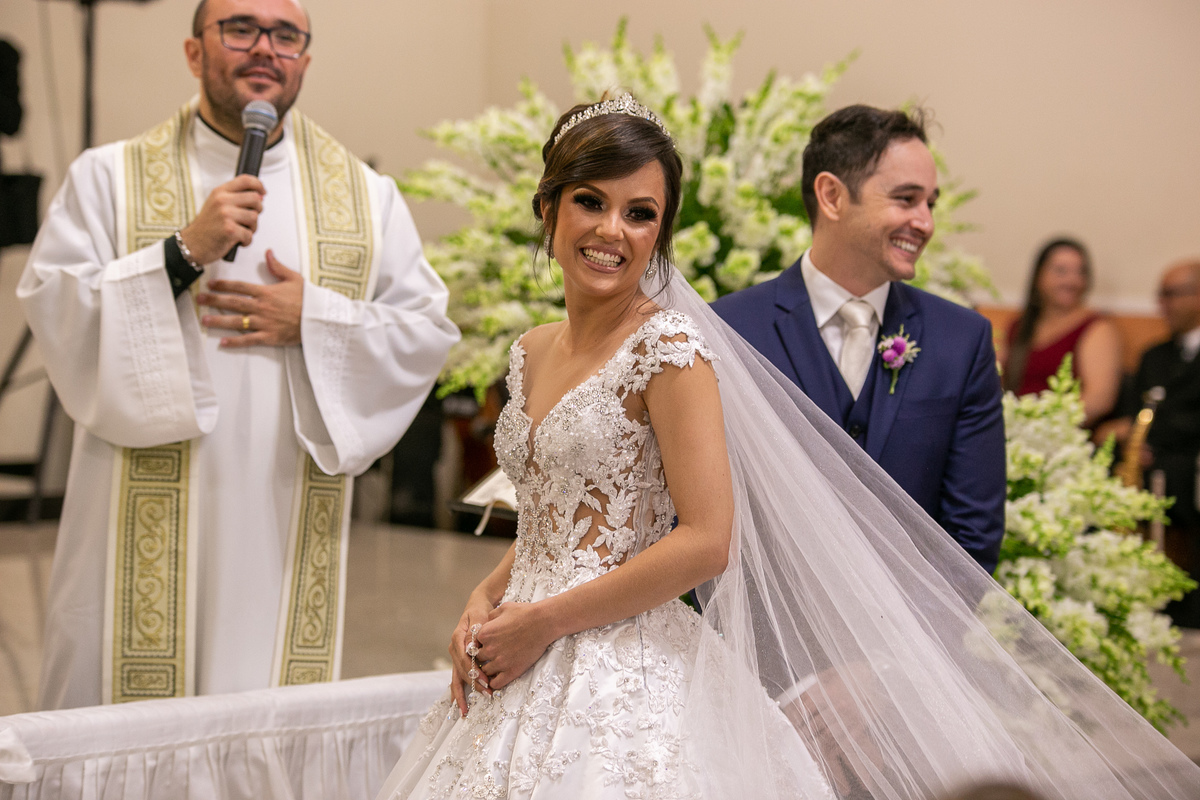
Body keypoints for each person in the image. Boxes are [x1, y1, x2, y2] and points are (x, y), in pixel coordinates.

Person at [375, 95, 1200, 800]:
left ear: (662, 231)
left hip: (851, 666)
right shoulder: (583, 343)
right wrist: (490, 604)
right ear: (549, 206)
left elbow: (946, 536)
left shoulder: (693, 344)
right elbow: (563, 520)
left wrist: (880, 675)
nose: (613, 230)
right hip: (623, 649)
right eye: (590, 201)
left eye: (641, 214)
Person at [18, 0, 458, 709]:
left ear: (304, 63)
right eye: (241, 29)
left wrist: (314, 318)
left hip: (279, 508)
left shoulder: (366, 198)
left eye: (285, 36)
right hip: (132, 522)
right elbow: (56, 304)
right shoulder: (108, 178)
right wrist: (180, 251)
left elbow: (424, 333)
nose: (265, 49)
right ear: (194, 53)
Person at [712, 105, 1005, 573]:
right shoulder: (727, 330)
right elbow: (699, 516)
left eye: (931, 202)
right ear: (831, 195)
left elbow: (972, 538)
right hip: (764, 640)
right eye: (906, 199)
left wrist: (900, 643)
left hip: (913, 641)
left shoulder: (962, 341)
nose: (926, 222)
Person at [1098, 259, 1200, 628]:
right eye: (1161, 295)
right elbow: (1130, 415)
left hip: (1186, 462)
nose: (1163, 304)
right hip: (1148, 459)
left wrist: (1151, 438)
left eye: (1172, 294)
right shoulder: (1154, 355)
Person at [1001, 238, 1121, 426]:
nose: (1072, 281)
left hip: (1062, 436)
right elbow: (996, 380)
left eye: (1081, 272)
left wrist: (1043, 425)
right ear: (1039, 276)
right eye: (1061, 271)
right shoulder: (1018, 326)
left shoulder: (1096, 328)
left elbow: (1099, 399)